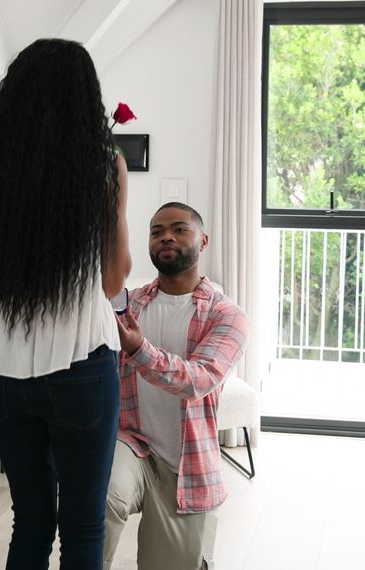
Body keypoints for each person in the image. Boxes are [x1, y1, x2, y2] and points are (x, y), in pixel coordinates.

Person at [0, 38, 131, 570]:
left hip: (1, 373)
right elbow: (113, 278)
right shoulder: (100, 166)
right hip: (80, 369)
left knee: (29, 522)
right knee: (82, 526)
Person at [105, 202, 249, 570]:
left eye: (179, 228)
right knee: (97, 501)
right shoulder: (128, 305)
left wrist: (139, 349)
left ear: (203, 241)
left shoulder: (227, 316)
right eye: (156, 231)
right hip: (131, 444)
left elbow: (199, 380)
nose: (166, 236)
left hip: (186, 467)